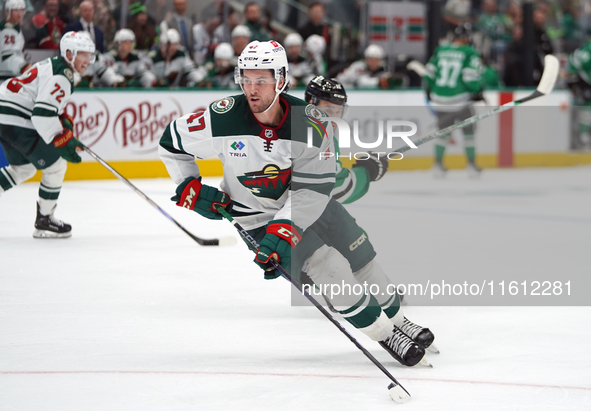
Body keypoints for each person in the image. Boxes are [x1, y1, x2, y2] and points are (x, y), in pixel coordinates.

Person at [158, 39, 434, 368]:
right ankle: (386, 333)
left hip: (309, 206)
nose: (252, 88)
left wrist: (286, 227)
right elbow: (172, 142)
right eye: (246, 78)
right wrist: (189, 186)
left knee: (361, 255)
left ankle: (400, 321)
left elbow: (314, 191)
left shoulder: (310, 123)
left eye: (262, 79)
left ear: (282, 79)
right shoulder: (222, 119)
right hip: (257, 220)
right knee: (328, 267)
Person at [0, 31, 94, 237]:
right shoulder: (63, 75)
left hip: (4, 116)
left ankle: (44, 218)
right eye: (83, 55)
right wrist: (63, 140)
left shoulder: (53, 64)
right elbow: (42, 116)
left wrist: (61, 123)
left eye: (89, 55)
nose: (87, 60)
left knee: (22, 169)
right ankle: (45, 219)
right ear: (69, 53)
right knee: (56, 166)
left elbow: (46, 108)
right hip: (15, 118)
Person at [424, 24, 483, 178]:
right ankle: (471, 166)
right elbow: (469, 78)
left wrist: (430, 92)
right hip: (461, 100)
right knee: (468, 133)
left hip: (440, 100)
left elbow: (428, 75)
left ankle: (437, 165)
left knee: (442, 133)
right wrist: (477, 90)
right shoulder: (469, 52)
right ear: (465, 38)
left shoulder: (440, 50)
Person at [567, 38, 591, 148]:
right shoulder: (587, 51)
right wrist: (573, 80)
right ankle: (583, 136)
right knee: (585, 109)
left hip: (585, 82)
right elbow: (574, 64)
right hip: (584, 83)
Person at [0, 0, 28, 81]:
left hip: (9, 75)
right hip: (6, 76)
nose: (19, 14)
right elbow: (8, 56)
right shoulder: (8, 29)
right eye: (16, 11)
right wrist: (23, 66)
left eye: (22, 10)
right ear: (7, 11)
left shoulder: (15, 27)